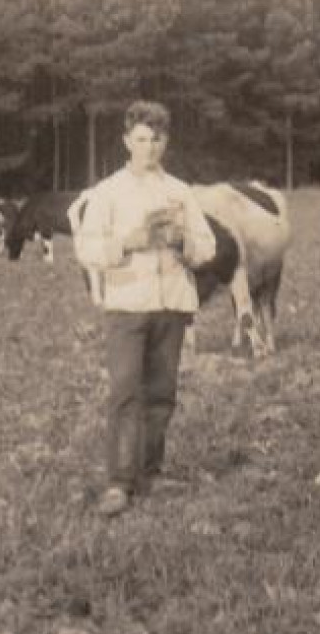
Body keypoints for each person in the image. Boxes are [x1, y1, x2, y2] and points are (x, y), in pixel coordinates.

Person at [72, 101, 217, 517]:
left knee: (161, 394)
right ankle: (119, 482)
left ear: (165, 143)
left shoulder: (180, 191)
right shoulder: (107, 192)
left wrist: (183, 242)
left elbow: (207, 247)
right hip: (127, 306)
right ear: (126, 141)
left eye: (156, 139)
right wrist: (129, 242)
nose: (149, 147)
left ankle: (151, 473)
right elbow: (86, 248)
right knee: (124, 392)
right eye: (140, 139)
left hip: (171, 304)